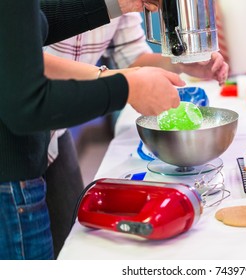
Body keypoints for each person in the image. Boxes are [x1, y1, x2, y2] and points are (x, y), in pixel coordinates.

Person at [0, 0, 187, 260]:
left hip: (40, 140)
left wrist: (119, 5)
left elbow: (38, 24)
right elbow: (26, 96)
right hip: (13, 165)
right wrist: (125, 86)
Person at [43, 12, 229, 258]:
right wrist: (120, 82)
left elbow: (132, 57)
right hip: (19, 137)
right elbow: (23, 63)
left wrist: (180, 62)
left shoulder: (121, 10)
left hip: (54, 133)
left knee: (72, 247)